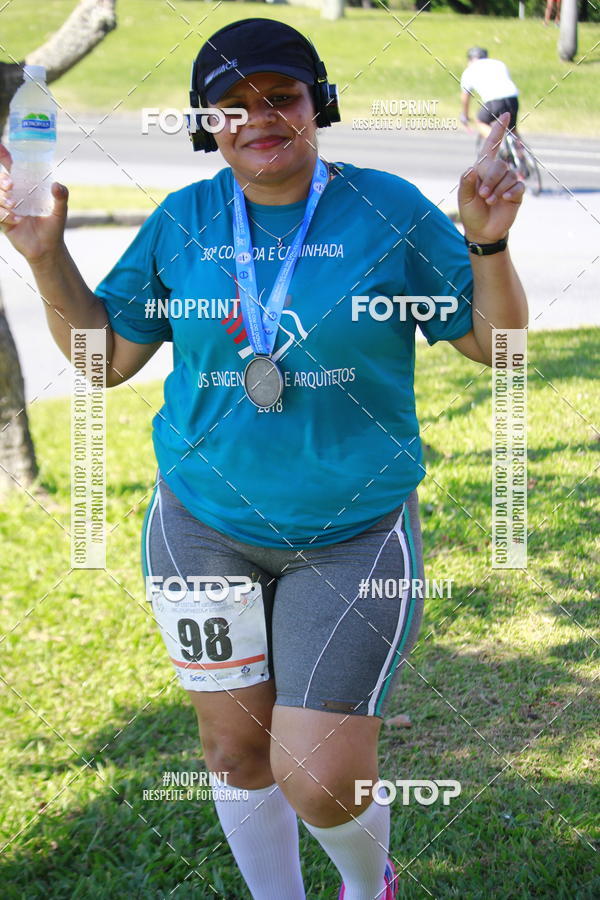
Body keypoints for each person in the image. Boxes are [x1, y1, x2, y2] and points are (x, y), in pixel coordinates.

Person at [0, 18, 527, 900]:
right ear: (207, 122)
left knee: (317, 775)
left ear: (315, 104)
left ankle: (370, 887)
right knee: (237, 752)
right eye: (231, 105)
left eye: (279, 97)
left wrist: (488, 244)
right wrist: (46, 255)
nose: (258, 118)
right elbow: (102, 362)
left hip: (352, 534)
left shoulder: (384, 210)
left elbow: (499, 349)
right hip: (202, 528)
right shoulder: (183, 221)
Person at [460, 47, 520, 141]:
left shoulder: (469, 70)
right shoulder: (499, 63)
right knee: (512, 129)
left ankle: (498, 143)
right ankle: (521, 153)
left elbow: (465, 97)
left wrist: (465, 116)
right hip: (512, 97)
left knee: (480, 122)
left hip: (493, 100)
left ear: (470, 59)